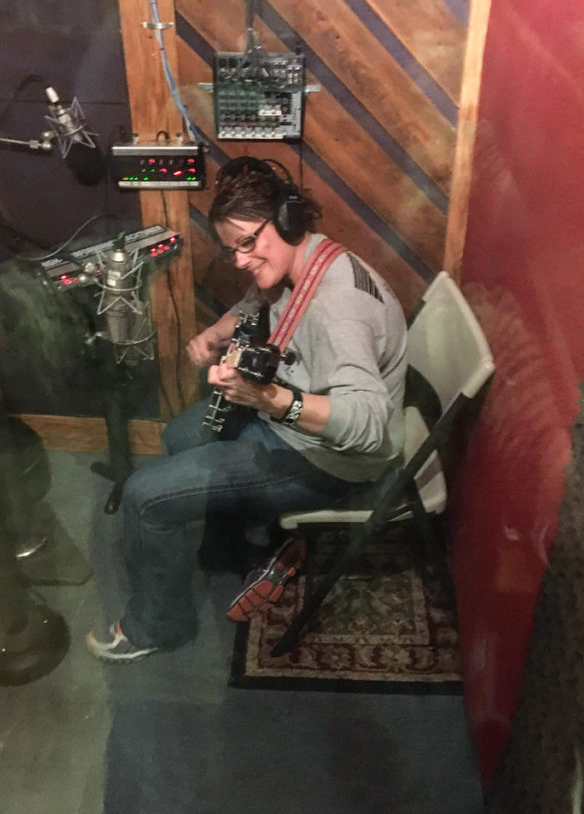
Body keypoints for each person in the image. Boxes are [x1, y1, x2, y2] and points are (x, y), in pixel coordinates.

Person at [86, 157, 407, 661]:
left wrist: (270, 400)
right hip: (290, 422)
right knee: (179, 437)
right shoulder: (310, 258)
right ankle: (229, 550)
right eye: (231, 247)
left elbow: (367, 427)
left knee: (144, 496)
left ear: (286, 221)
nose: (239, 260)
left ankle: (158, 626)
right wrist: (218, 333)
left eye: (247, 242)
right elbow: (260, 300)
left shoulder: (339, 306)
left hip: (329, 460)